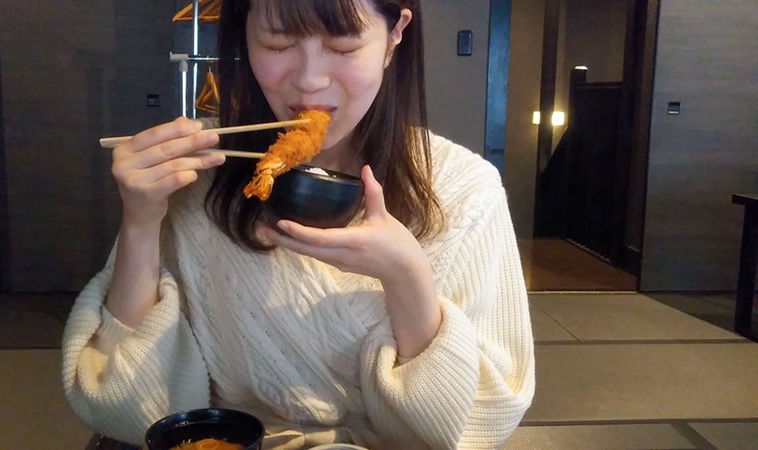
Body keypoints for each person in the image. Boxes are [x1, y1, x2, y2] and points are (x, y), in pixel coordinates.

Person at [61, 0, 535, 448]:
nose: (309, 81)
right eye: (278, 42)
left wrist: (407, 277)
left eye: (343, 46)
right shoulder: (196, 172)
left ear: (394, 36)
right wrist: (141, 221)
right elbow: (126, 405)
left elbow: (471, 424)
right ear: (244, 33)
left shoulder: (466, 190)